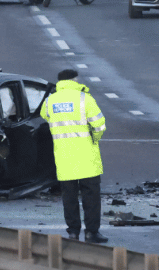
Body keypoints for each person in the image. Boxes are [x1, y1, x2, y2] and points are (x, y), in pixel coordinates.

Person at [40, 69, 109, 243]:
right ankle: (91, 233)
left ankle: (73, 232)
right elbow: (100, 125)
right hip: (86, 157)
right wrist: (94, 138)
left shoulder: (49, 101)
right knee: (90, 197)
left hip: (64, 157)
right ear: (75, 80)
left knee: (69, 197)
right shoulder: (84, 98)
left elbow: (44, 116)